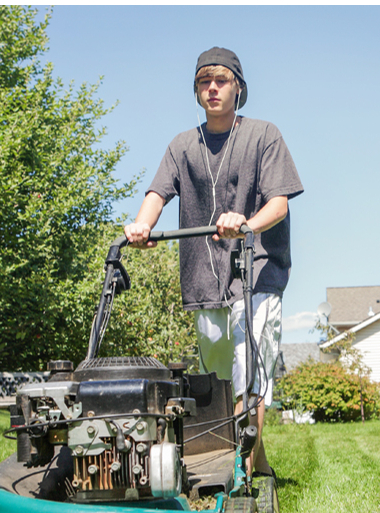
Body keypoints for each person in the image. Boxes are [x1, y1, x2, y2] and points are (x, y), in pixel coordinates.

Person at [124, 47, 303, 478]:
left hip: (257, 271)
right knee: (220, 381)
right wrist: (142, 226)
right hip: (204, 278)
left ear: (239, 87)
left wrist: (247, 223)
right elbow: (158, 193)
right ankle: (256, 462)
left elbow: (278, 204)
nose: (212, 88)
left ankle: (240, 472)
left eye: (221, 80)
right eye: (204, 81)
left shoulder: (264, 135)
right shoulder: (183, 145)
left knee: (249, 373)